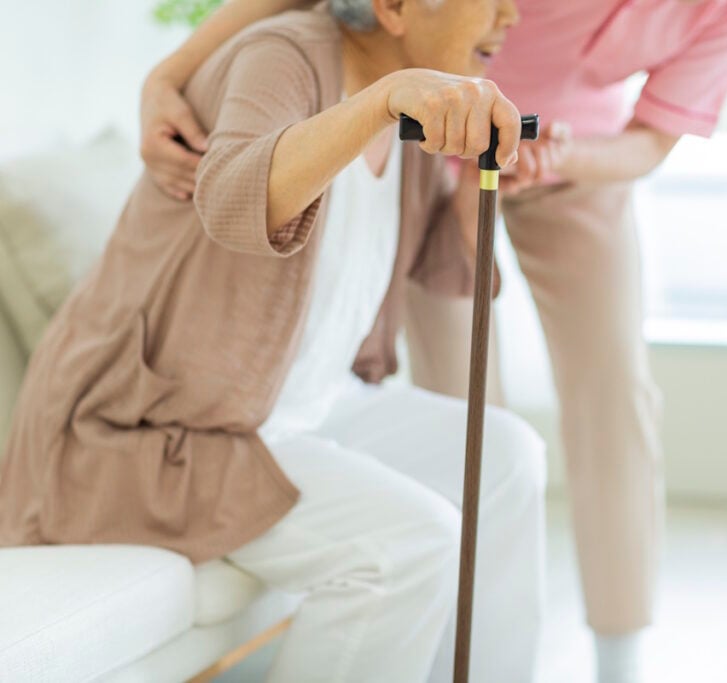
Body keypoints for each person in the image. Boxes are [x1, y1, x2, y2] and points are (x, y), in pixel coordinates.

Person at [138, 1, 727, 681]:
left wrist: (561, 155)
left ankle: (619, 659)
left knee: (615, 393)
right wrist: (168, 75)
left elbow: (650, 140)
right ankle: (452, 648)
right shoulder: (296, 59)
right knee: (468, 415)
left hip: (575, 154)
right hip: (438, 140)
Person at [0, 1, 548, 681]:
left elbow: (430, 256)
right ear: (395, 8)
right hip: (163, 429)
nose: (512, 16)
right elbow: (232, 194)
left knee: (509, 456)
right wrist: (377, 104)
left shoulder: (416, 88)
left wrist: (475, 194)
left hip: (305, 400)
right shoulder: (284, 56)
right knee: (408, 545)